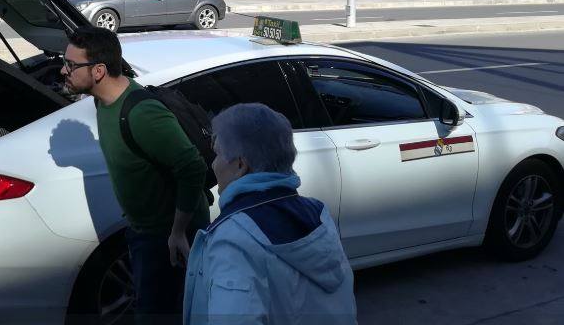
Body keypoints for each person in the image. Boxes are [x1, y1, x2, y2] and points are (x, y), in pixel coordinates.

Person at [62, 27, 209, 321]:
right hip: (143, 231)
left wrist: (178, 231)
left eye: (71, 65)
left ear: (99, 70)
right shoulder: (101, 101)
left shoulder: (142, 114)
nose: (63, 70)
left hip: (169, 239)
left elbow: (193, 167)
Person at [183, 103, 357, 325]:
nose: (213, 164)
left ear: (240, 165)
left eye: (217, 155)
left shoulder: (233, 240)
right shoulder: (318, 214)